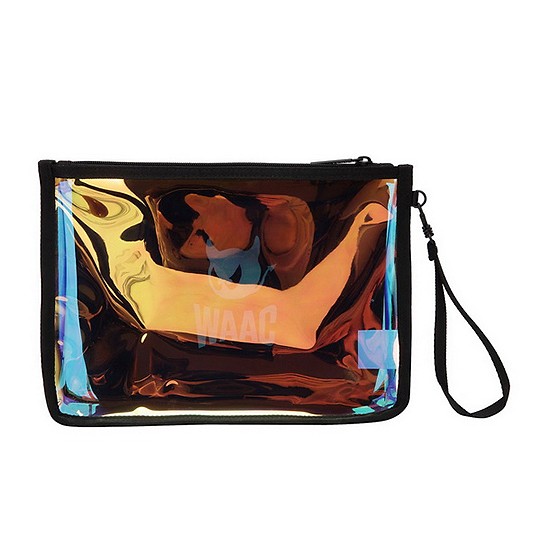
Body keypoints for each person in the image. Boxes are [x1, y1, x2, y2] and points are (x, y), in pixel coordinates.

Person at [58, 178, 390, 350]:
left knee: (369, 366)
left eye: (201, 233)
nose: (193, 242)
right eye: (198, 234)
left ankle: (376, 375)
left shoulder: (281, 238)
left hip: (339, 374)